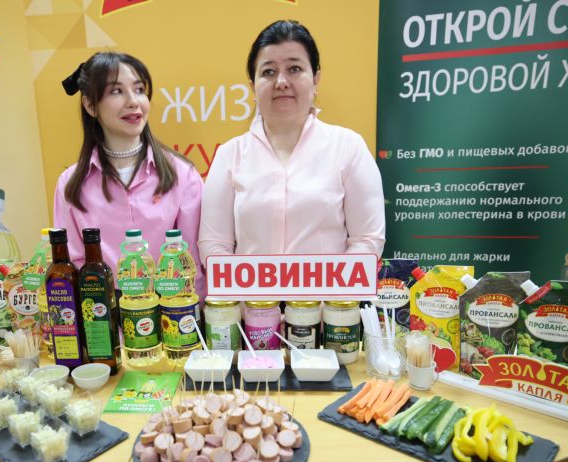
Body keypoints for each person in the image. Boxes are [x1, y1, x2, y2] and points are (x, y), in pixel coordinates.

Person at [198, 20, 385, 263]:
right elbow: (214, 245)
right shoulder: (229, 155)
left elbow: (367, 240)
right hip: (250, 290)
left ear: (315, 79)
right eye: (268, 72)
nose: (281, 82)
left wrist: (330, 285)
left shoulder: (348, 147)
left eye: (294, 69)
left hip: (328, 290)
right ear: (253, 86)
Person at [55, 51, 205, 296]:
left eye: (139, 90)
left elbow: (194, 264)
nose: (134, 102)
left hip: (175, 312)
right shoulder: (71, 185)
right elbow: (74, 264)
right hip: (103, 315)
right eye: (116, 91)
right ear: (90, 105)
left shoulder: (182, 175)